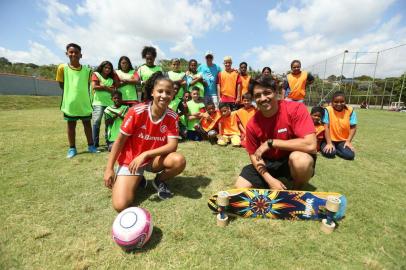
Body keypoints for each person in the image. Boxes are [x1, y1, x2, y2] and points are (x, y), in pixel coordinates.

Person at [104, 72, 186, 211]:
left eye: (168, 92)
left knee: (179, 160)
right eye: (160, 91)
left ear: (173, 95)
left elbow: (173, 145)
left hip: (152, 159)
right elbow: (119, 141)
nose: (164, 95)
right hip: (131, 160)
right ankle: (136, 178)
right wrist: (109, 168)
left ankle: (159, 181)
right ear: (152, 92)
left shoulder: (172, 116)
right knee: (120, 205)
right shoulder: (137, 111)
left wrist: (146, 154)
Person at [235, 75, 317, 190]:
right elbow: (253, 155)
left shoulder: (296, 108)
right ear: (254, 99)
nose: (263, 98)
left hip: (290, 157)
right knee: (241, 187)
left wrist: (272, 143)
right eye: (257, 95)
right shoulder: (252, 124)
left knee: (301, 160)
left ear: (276, 92)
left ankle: (296, 190)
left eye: (267, 93)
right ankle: (273, 181)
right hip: (268, 162)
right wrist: (270, 180)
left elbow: (311, 145)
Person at [55, 43, 98, 158]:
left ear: (81, 55)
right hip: (70, 103)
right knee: (71, 125)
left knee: (87, 125)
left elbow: (91, 85)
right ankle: (72, 148)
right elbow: (61, 84)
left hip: (84, 102)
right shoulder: (62, 68)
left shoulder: (87, 70)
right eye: (71, 52)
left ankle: (91, 146)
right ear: (67, 53)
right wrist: (71, 94)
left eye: (76, 52)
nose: (73, 54)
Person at [321, 91, 357, 160]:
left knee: (350, 155)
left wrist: (348, 142)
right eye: (336, 102)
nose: (339, 104)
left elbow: (353, 127)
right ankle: (331, 148)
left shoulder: (350, 110)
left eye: (342, 101)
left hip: (342, 140)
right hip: (328, 139)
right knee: (330, 153)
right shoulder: (327, 110)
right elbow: (326, 127)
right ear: (332, 102)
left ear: (345, 101)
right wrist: (329, 143)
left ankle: (336, 149)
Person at [91, 60, 120, 148]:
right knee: (96, 122)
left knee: (109, 123)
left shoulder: (111, 79)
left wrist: (104, 86)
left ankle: (109, 142)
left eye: (109, 68)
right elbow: (94, 87)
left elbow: (116, 89)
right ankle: (95, 144)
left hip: (109, 103)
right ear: (102, 67)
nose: (107, 69)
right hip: (98, 103)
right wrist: (106, 87)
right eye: (105, 67)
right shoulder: (96, 74)